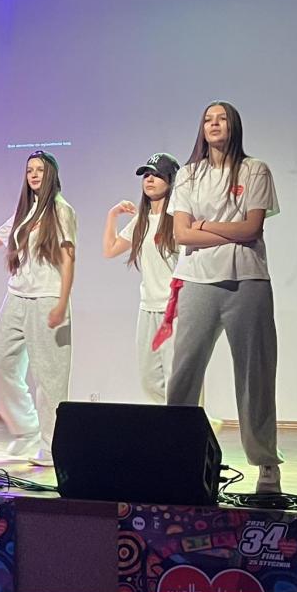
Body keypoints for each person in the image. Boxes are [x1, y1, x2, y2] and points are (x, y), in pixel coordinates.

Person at [168, 101, 282, 493]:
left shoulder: (255, 169)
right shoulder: (188, 174)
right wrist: (224, 230)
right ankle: (175, 456)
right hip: (196, 281)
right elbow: (181, 234)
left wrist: (204, 226)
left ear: (234, 126)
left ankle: (266, 463)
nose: (214, 124)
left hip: (247, 280)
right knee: (184, 374)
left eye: (221, 119)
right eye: (208, 119)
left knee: (255, 374)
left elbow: (252, 229)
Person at [0, 151, 76, 467]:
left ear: (51, 174)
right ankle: (27, 429)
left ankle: (52, 448)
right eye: (29, 170)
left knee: (50, 378)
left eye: (40, 169)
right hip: (16, 296)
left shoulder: (61, 210)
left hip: (48, 298)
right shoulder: (24, 212)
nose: (34, 174)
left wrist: (62, 302)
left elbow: (69, 258)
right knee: (2, 365)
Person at [103, 153, 181, 404]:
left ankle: (189, 423)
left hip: (175, 310)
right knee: (149, 379)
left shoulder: (179, 220)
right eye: (146, 175)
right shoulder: (141, 221)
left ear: (170, 180)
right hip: (148, 308)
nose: (149, 179)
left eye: (156, 175)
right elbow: (110, 249)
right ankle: (163, 423)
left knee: (178, 379)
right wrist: (113, 215)